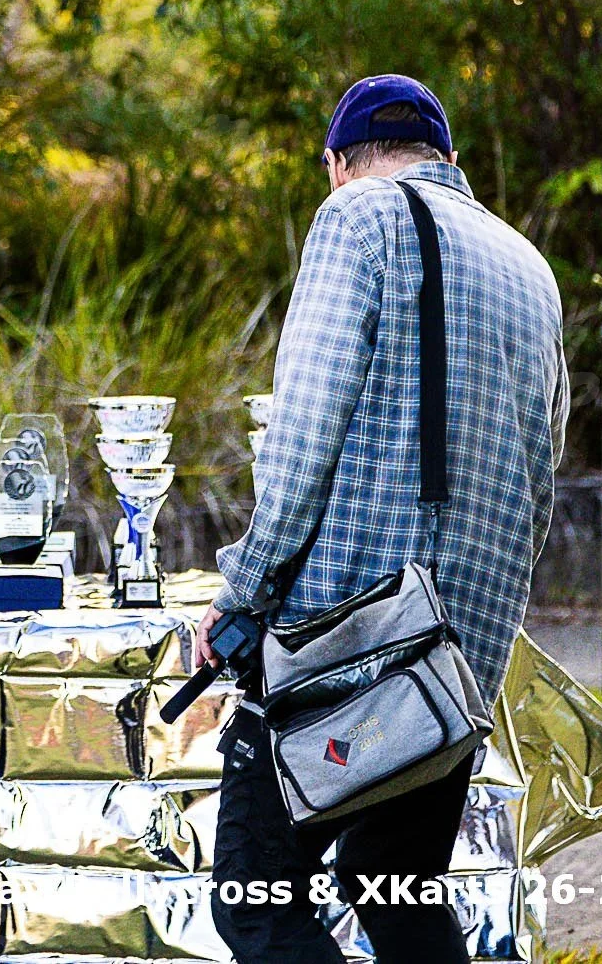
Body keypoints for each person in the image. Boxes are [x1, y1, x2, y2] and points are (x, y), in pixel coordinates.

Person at [197, 74, 568, 963]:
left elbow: (304, 427)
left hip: (348, 638)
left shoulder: (358, 215)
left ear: (336, 163)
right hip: (456, 660)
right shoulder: (529, 264)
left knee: (254, 897)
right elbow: (541, 472)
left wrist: (244, 589)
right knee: (395, 889)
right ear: (450, 161)